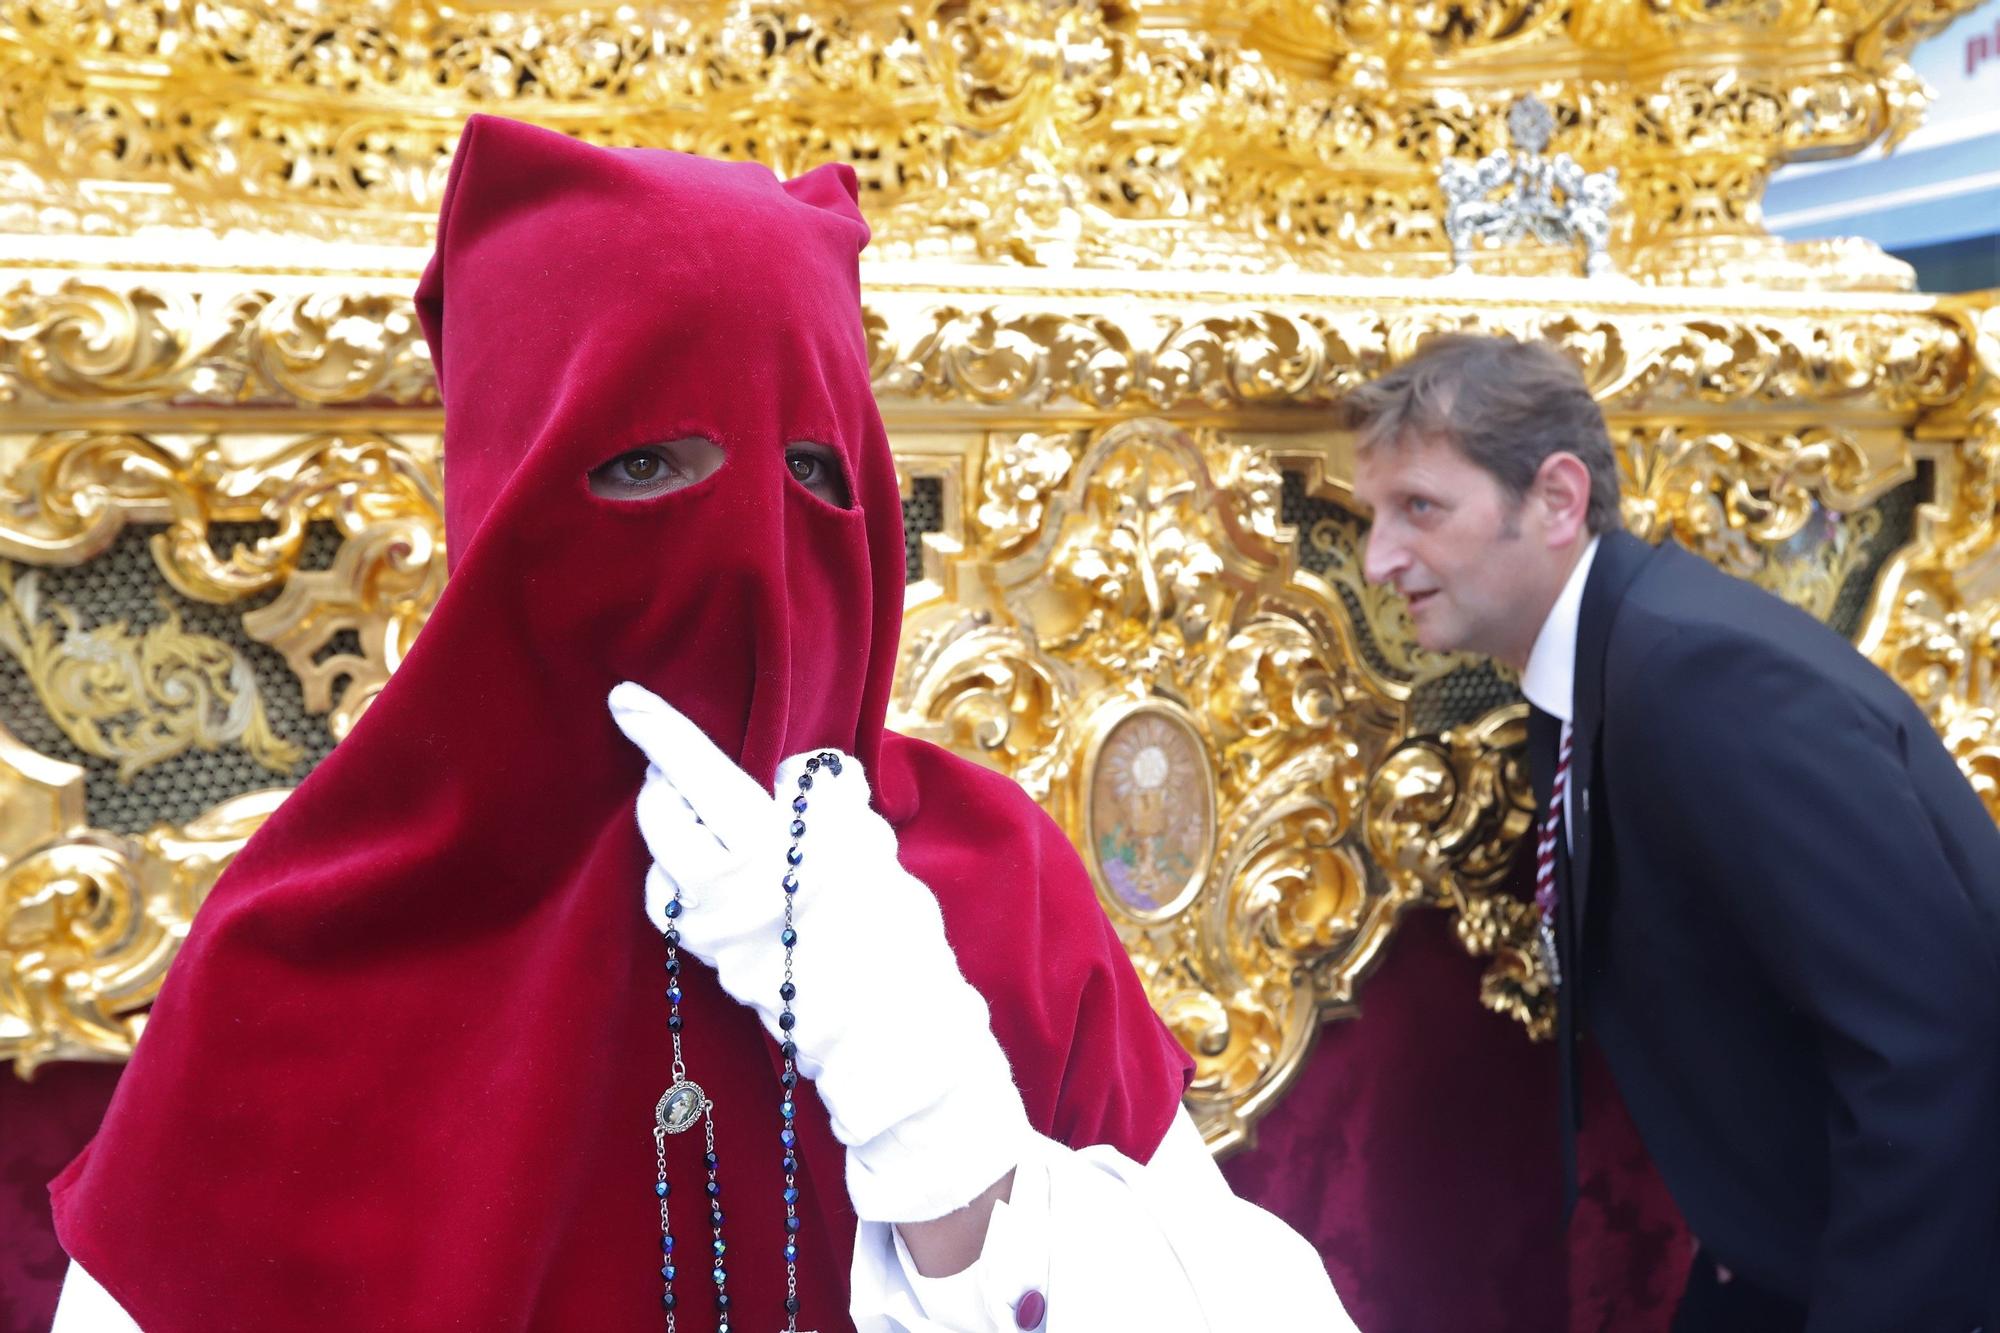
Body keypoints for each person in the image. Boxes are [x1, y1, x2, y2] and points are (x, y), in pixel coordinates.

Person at [45, 115, 1349, 1332]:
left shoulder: (994, 883)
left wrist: (944, 1121)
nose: (750, 559)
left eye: (809, 472)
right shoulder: (310, 950)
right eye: (644, 467)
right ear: (506, 496)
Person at [1349, 332, 2000, 1333]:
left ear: (1557, 499)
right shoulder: (1603, 666)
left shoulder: (1703, 680)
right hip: (1776, 1260)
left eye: (1420, 508)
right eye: (1374, 516)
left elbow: (1929, 1040)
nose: (1377, 558)